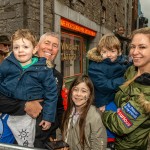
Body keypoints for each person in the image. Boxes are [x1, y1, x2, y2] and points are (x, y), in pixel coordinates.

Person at [0, 31, 64, 148]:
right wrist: (24, 105)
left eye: (55, 46)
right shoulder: (8, 64)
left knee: (27, 145)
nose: (50, 48)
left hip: (39, 131)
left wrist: (50, 121)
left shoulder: (49, 72)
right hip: (10, 118)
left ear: (33, 49)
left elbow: (55, 101)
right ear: (38, 46)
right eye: (47, 43)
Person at [102, 27, 150, 150]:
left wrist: (101, 111)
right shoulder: (131, 70)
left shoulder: (147, 92)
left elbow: (119, 124)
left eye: (142, 47)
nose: (134, 52)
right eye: (132, 46)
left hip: (130, 146)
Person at [87, 33, 131, 149]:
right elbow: (103, 85)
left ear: (119, 52)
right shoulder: (95, 66)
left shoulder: (123, 62)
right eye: (104, 52)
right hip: (104, 99)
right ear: (100, 52)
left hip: (118, 97)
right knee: (109, 120)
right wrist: (124, 80)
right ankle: (109, 141)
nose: (108, 55)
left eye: (112, 51)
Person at [61, 74, 107, 150]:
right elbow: (62, 133)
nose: (78, 94)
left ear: (89, 95)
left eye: (84, 91)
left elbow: (98, 146)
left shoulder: (95, 117)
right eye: (75, 89)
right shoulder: (68, 112)